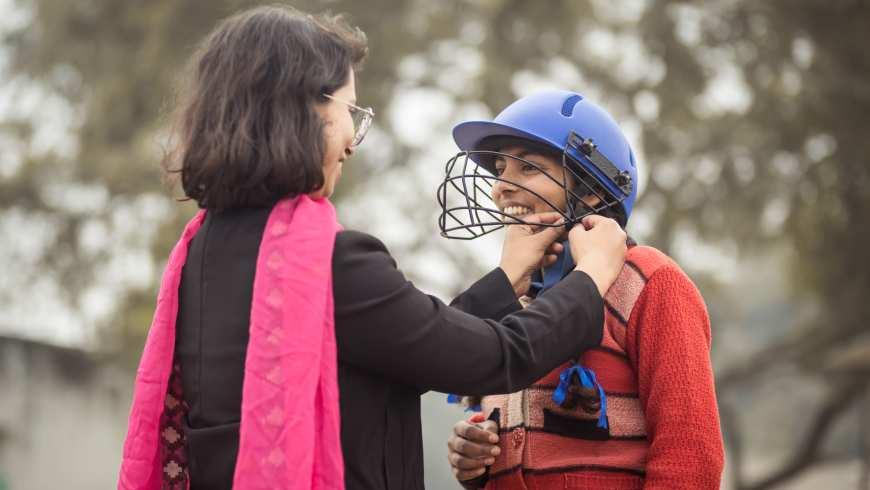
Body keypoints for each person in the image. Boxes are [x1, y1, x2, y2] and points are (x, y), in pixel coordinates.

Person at [116, 8, 630, 490]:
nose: (351, 141)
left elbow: (404, 348)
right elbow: (491, 357)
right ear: (302, 110)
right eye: (350, 111)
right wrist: (590, 279)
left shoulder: (201, 255)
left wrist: (506, 277)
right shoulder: (328, 264)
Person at [441, 90, 725, 489]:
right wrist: (481, 457)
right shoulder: (511, 296)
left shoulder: (649, 281)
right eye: (500, 169)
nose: (500, 187)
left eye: (527, 167)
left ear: (590, 189)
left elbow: (690, 454)